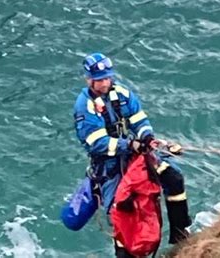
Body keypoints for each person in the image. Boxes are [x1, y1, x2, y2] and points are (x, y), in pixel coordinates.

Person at [71, 52, 191, 256]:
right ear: (88, 79)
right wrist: (130, 144)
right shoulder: (85, 107)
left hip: (134, 156)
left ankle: (180, 234)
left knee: (174, 177)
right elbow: (97, 143)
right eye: (100, 80)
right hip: (109, 166)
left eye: (107, 78)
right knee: (119, 210)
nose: (104, 83)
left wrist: (147, 138)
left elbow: (139, 120)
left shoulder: (122, 94)